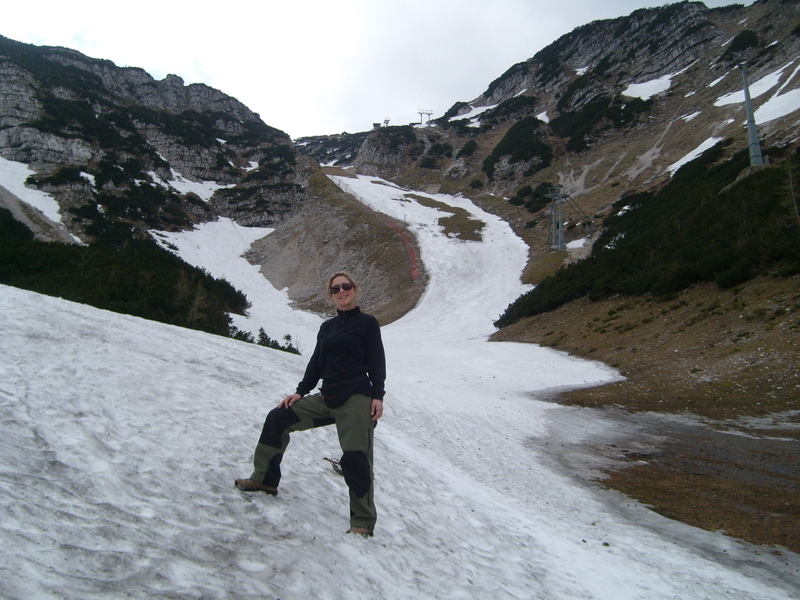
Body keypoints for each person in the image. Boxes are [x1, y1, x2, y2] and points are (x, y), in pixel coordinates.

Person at [235, 271, 386, 537]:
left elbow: (376, 360)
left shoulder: (367, 323)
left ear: (355, 289)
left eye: (346, 286)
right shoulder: (327, 328)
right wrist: (300, 392)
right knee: (278, 418)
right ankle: (265, 480)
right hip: (327, 397)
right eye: (335, 289)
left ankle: (362, 521)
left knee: (356, 458)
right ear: (331, 295)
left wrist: (378, 396)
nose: (341, 291)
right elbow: (316, 362)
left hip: (356, 398)